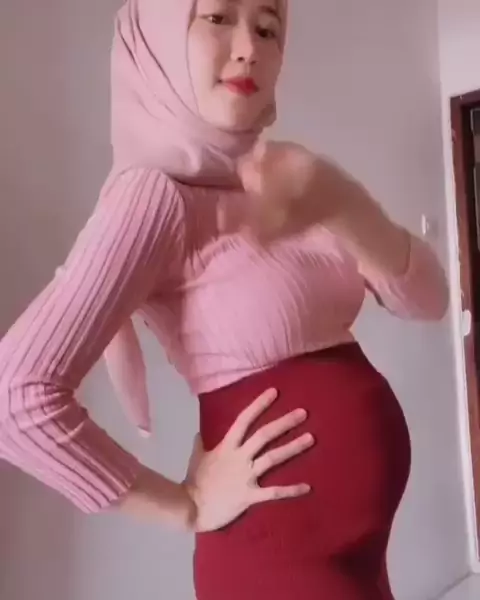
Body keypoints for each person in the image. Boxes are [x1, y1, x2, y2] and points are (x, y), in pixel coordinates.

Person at [0, 0, 449, 599]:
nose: (249, 48)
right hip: (275, 563)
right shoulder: (156, 197)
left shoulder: (279, 179)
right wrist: (185, 505)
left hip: (362, 557)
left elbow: (429, 301)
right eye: (216, 18)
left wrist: (343, 200)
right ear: (159, 36)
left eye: (268, 28)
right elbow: (17, 399)